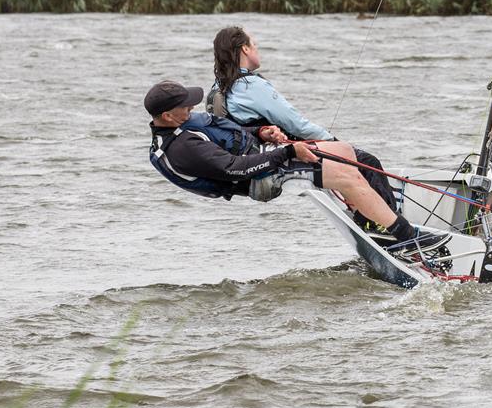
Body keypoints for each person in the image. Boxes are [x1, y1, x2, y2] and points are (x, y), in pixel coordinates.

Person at [145, 80, 441, 251]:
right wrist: (287, 152)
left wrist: (260, 132)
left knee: (354, 155)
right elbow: (236, 168)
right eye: (185, 105)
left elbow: (227, 136)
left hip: (265, 154)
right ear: (167, 116)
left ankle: (376, 224)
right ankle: (406, 238)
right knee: (347, 176)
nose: (192, 107)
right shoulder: (182, 149)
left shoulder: (185, 124)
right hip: (258, 179)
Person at [208, 25, 396, 215]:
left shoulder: (218, 87)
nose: (257, 49)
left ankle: (368, 216)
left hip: (250, 169)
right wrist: (334, 142)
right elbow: (296, 125)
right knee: (367, 162)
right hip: (278, 161)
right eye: (254, 44)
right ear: (245, 49)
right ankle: (391, 224)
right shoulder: (250, 86)